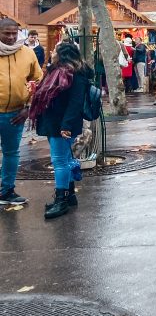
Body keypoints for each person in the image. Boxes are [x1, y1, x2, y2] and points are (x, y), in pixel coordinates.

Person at [29, 42, 91, 219]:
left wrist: (66, 126)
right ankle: (70, 195)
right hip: (54, 122)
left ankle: (61, 200)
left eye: (55, 50)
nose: (51, 52)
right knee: (65, 159)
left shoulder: (75, 73)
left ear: (62, 54)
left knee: (59, 162)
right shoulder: (56, 70)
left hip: (62, 124)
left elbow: (75, 102)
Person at [0, 18, 43, 206]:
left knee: (11, 152)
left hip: (15, 114)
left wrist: (28, 108)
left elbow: (38, 80)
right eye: (6, 33)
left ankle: (6, 190)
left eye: (13, 33)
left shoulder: (28, 53)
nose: (10, 37)